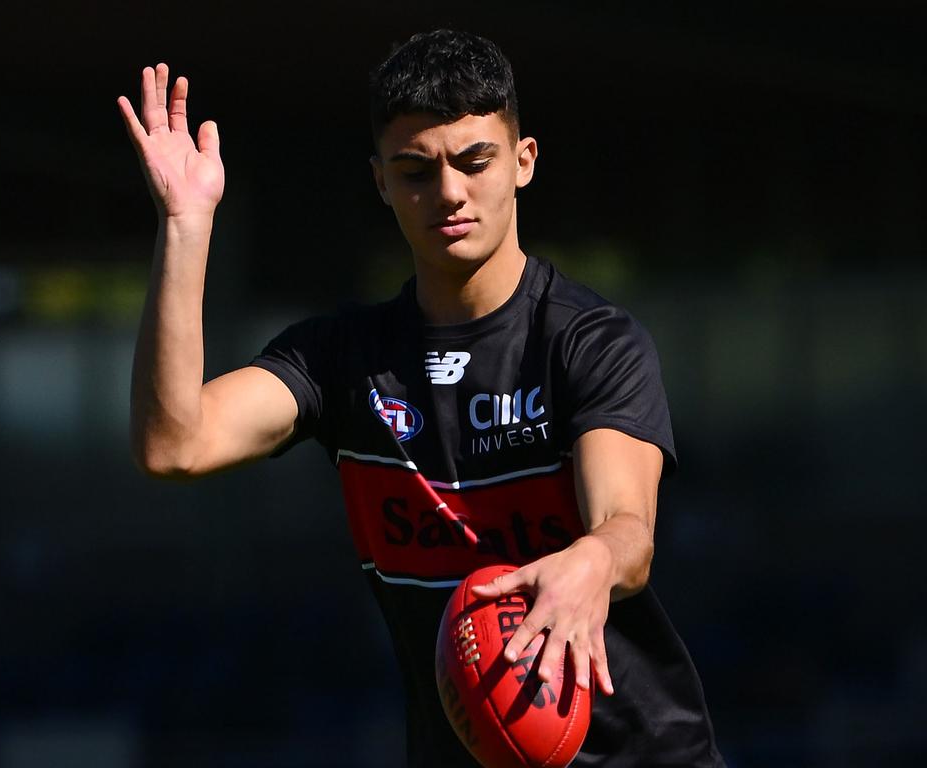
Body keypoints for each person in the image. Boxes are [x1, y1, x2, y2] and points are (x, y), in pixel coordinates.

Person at [118, 29, 725, 767]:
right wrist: (185, 228)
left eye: (475, 161)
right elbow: (173, 444)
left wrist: (592, 561)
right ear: (380, 181)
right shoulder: (342, 358)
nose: (449, 193)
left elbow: (629, 531)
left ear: (523, 161)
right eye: (415, 171)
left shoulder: (590, 341)